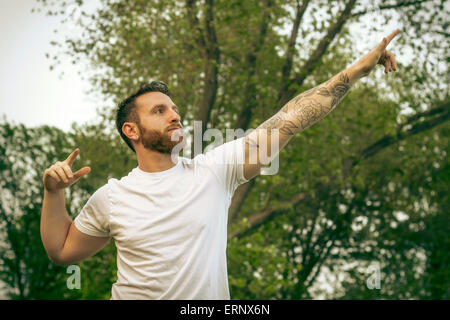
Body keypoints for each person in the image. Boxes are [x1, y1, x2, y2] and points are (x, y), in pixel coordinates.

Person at [41, 30, 400, 299]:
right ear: (131, 130)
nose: (174, 115)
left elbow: (293, 117)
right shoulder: (113, 197)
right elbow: (62, 251)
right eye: (159, 111)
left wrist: (355, 72)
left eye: (174, 109)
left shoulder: (213, 171)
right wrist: (53, 193)